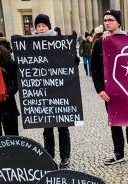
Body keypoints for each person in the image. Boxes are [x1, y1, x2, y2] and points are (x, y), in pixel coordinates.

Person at [91, 10, 128, 166]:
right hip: (109, 90)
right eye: (105, 20)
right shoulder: (100, 42)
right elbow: (95, 68)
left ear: (118, 22)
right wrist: (100, 89)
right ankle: (118, 152)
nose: (107, 22)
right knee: (115, 121)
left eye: (111, 20)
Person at [34, 14, 72, 168]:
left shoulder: (60, 41)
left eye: (44, 25)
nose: (41, 28)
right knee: (47, 128)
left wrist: (73, 60)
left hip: (60, 90)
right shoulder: (31, 44)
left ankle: (65, 156)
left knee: (63, 127)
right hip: (43, 92)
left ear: (49, 26)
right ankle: (49, 156)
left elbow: (69, 60)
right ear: (35, 28)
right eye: (38, 26)